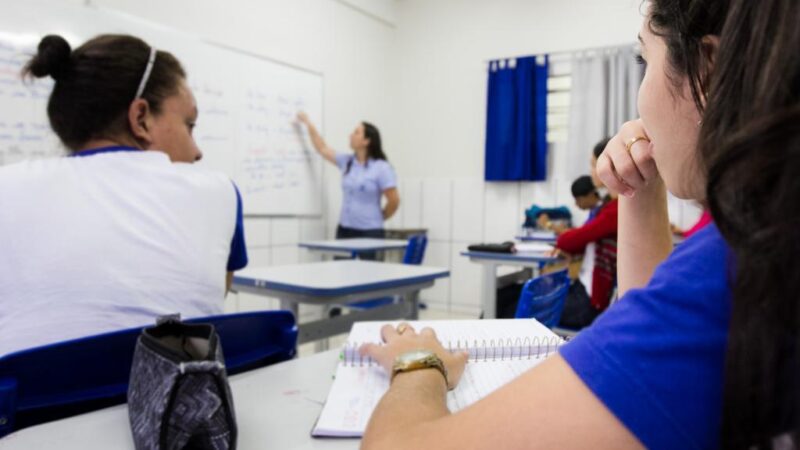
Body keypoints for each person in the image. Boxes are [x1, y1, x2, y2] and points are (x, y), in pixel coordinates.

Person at [357, 0, 799, 448]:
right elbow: (653, 335)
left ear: (708, 70)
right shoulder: (768, 237)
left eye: (644, 58)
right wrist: (640, 188)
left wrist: (418, 363)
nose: (639, 101)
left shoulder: (735, 272)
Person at [0, 34, 248, 357]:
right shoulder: (221, 194)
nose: (197, 151)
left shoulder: (8, 187)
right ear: (141, 118)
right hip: (182, 404)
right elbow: (211, 300)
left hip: (33, 407)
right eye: (189, 124)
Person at [296, 113, 399, 254]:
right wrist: (308, 123)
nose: (351, 135)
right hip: (345, 230)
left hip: (370, 232)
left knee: (369, 274)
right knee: (342, 272)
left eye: (356, 133)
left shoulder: (381, 168)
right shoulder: (347, 161)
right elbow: (322, 148)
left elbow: (394, 200)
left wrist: (380, 217)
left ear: (366, 141)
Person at [550, 174, 618, 328]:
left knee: (523, 307)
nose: (593, 172)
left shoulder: (613, 211)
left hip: (589, 301)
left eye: (593, 164)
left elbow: (580, 236)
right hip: (584, 290)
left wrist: (557, 232)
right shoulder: (607, 208)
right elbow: (584, 239)